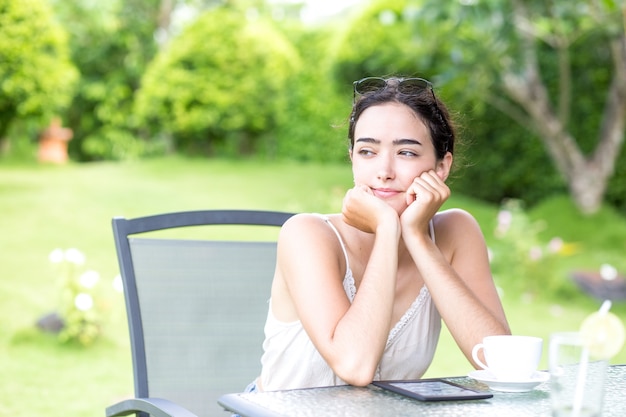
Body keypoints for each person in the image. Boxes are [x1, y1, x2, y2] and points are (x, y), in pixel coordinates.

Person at [255, 75, 510, 392]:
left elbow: (502, 364)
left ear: (442, 167)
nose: (384, 171)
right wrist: (388, 230)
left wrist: (417, 238)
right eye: (367, 151)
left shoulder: (456, 233)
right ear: (352, 160)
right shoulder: (307, 235)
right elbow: (355, 366)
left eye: (406, 153)